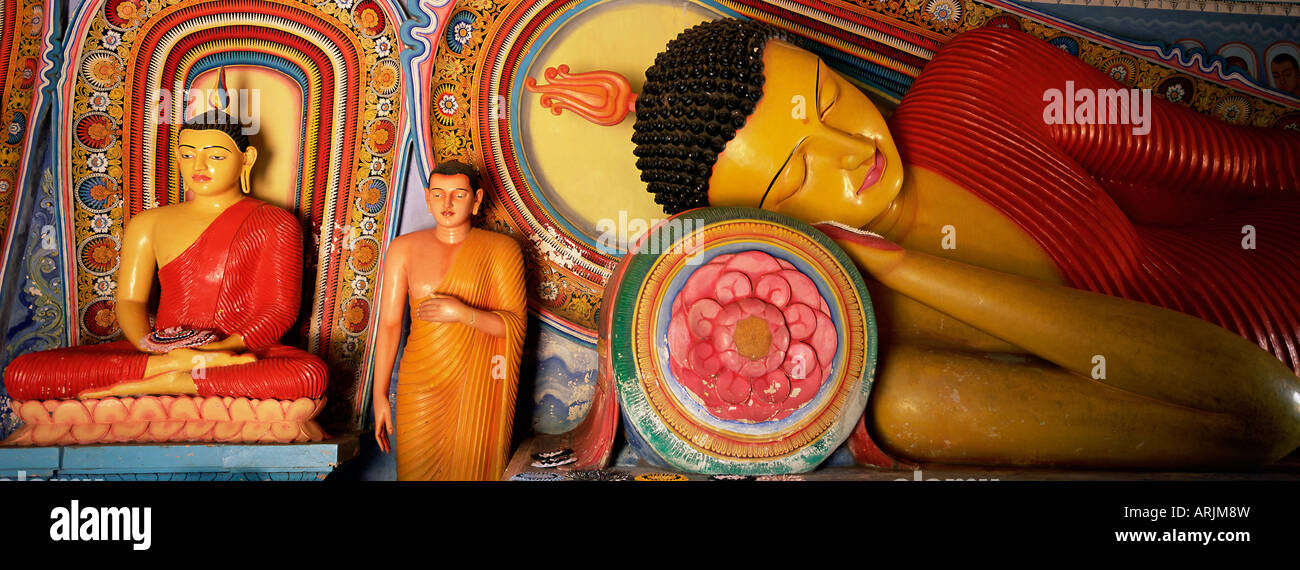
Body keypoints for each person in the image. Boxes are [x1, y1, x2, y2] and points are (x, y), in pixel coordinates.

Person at [629, 19, 1300, 467]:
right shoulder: (893, 364)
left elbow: (1248, 163)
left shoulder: (982, 78)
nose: (851, 148)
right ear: (763, 231)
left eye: (829, 101)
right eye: (797, 173)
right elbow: (1264, 414)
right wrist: (904, 268)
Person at [3, 111, 327, 401]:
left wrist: (217, 350)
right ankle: (171, 372)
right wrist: (147, 347)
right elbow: (130, 302)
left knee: (308, 375)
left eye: (215, 156)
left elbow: (278, 311)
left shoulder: (275, 221)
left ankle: (164, 380)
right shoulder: (149, 223)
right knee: (22, 372)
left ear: (247, 159)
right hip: (164, 351)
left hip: (237, 353)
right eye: (188, 155)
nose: (198, 166)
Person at [371, 160, 527, 481]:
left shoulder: (501, 250)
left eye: (458, 195)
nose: (447, 204)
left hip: (477, 385)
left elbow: (513, 326)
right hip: (420, 385)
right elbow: (389, 326)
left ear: (477, 199)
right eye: (439, 194)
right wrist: (380, 394)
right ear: (427, 197)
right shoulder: (403, 250)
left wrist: (463, 314)